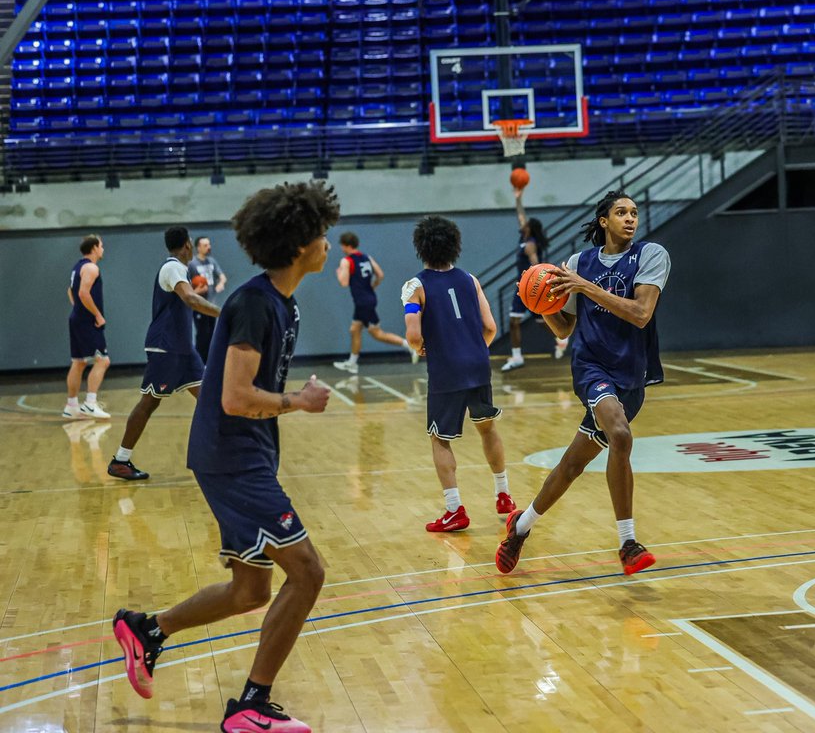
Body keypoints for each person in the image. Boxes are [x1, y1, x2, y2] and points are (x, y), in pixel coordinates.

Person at [112, 181, 340, 733]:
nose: (327, 242)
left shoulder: (280, 302)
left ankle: (148, 630)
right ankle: (251, 706)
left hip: (243, 454)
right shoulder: (254, 304)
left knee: (251, 590)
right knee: (307, 573)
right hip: (232, 457)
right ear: (298, 245)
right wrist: (299, 402)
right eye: (320, 233)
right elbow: (235, 398)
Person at [496, 191, 669, 577]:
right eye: (621, 212)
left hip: (631, 376)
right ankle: (628, 543)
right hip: (592, 368)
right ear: (603, 221)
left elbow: (641, 314)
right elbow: (565, 325)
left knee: (573, 465)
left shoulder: (652, 255)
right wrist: (540, 304)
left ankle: (520, 527)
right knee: (620, 435)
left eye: (634, 213)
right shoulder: (580, 263)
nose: (630, 218)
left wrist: (583, 286)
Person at [402, 216, 515, 532]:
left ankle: (454, 509)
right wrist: (474, 351)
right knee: (487, 428)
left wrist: (421, 348)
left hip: (446, 369)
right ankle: (504, 495)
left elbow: (413, 334)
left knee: (440, 438)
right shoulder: (471, 280)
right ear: (455, 246)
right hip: (479, 366)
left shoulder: (415, 286)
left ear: (421, 248)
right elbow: (490, 327)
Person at [107, 226, 221, 481]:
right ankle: (120, 461)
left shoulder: (180, 269)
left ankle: (220, 455)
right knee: (149, 402)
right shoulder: (172, 268)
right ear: (188, 245)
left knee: (210, 399)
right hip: (166, 347)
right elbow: (191, 299)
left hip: (183, 349)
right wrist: (224, 315)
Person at [501, 184, 569, 372]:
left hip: (530, 287)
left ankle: (561, 336)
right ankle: (516, 357)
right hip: (522, 287)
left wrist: (538, 284)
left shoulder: (530, 244)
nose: (523, 224)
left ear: (530, 229)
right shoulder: (524, 238)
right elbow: (521, 216)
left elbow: (536, 266)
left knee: (541, 321)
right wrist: (517, 198)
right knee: (515, 321)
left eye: (526, 225)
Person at [332, 231, 414, 374]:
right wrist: (372, 286)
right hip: (368, 298)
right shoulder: (366, 257)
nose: (341, 248)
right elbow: (380, 275)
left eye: (342, 246)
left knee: (377, 333)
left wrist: (339, 272)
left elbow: (344, 283)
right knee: (355, 329)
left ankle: (409, 345)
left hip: (362, 302)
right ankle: (352, 363)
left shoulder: (346, 261)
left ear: (346, 246)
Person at [64, 234, 112, 420]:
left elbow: (70, 290)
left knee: (79, 362)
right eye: (101, 245)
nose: (102, 249)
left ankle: (71, 406)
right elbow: (83, 293)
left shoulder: (77, 266)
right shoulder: (92, 267)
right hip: (87, 321)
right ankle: (90, 404)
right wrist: (97, 315)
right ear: (93, 248)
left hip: (77, 318)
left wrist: (77, 309)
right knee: (103, 360)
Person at [187, 235, 227, 363]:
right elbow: (186, 289)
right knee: (202, 335)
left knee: (211, 335)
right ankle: (199, 363)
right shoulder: (192, 264)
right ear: (198, 248)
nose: (208, 247)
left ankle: (209, 363)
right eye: (205, 245)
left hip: (211, 304)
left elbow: (222, 276)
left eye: (209, 244)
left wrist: (221, 283)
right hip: (199, 306)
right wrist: (197, 291)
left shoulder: (212, 261)